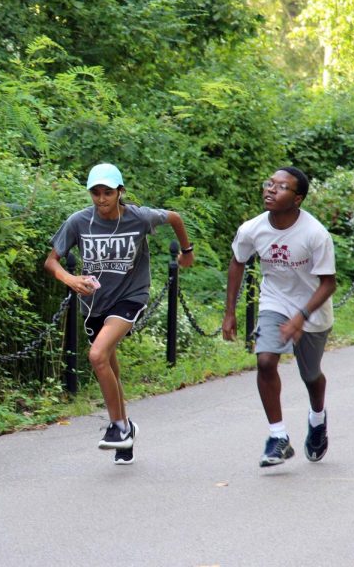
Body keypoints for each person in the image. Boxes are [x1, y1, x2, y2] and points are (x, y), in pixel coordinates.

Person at [44, 163, 194, 465]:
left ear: (120, 192)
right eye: (96, 193)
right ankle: (127, 434)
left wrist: (186, 252)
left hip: (130, 296)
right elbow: (51, 261)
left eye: (108, 192)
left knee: (97, 356)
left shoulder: (138, 218)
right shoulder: (79, 222)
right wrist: (71, 280)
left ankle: (119, 426)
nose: (101, 199)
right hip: (95, 303)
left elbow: (175, 217)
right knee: (109, 366)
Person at [222, 166, 336, 468]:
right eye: (269, 184)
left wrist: (301, 316)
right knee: (265, 360)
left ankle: (317, 418)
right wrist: (229, 312)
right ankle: (278, 437)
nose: (271, 190)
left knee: (311, 376)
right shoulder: (252, 229)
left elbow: (328, 283)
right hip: (274, 303)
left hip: (312, 308)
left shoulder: (315, 234)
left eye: (281, 187)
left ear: (297, 198)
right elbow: (237, 262)